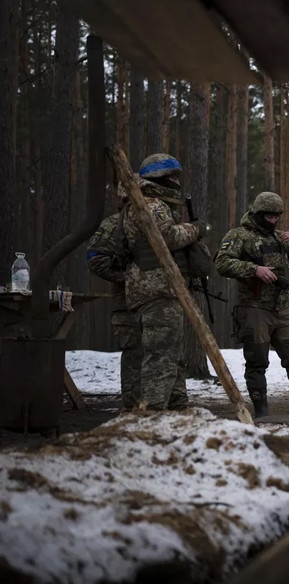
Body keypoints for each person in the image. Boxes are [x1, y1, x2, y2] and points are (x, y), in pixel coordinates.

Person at [215, 192, 289, 417]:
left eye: (276, 217)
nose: (273, 221)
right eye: (269, 217)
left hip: (282, 308)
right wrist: (254, 270)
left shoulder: (280, 238)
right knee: (257, 359)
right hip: (254, 307)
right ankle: (261, 409)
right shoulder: (239, 235)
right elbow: (221, 263)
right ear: (257, 213)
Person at [123, 153, 206, 410]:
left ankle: (176, 406)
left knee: (170, 353)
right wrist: (196, 229)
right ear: (160, 178)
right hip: (158, 289)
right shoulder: (153, 205)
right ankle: (153, 412)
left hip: (154, 289)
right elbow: (167, 238)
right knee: (161, 357)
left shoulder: (140, 203)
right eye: (172, 177)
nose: (176, 182)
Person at [86, 177, 142, 410]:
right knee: (133, 354)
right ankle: (132, 408)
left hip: (157, 303)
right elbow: (95, 259)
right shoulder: (113, 225)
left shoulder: (155, 222)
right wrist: (128, 279)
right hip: (127, 303)